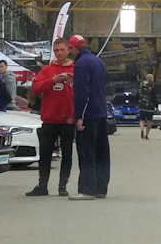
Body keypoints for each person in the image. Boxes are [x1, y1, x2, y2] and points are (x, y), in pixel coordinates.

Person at [27, 45, 75, 196]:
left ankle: (63, 186)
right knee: (45, 154)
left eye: (62, 50)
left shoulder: (75, 68)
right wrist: (52, 80)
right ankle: (42, 186)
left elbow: (85, 89)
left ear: (68, 50)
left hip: (68, 119)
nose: (59, 53)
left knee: (67, 155)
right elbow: (36, 88)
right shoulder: (47, 69)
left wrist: (73, 80)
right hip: (49, 118)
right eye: (56, 50)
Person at [69, 35, 110, 200]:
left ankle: (87, 190)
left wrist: (79, 116)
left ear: (72, 48)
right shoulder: (98, 61)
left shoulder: (80, 64)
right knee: (102, 152)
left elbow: (82, 93)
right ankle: (101, 189)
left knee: (87, 152)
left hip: (89, 114)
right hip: (101, 112)